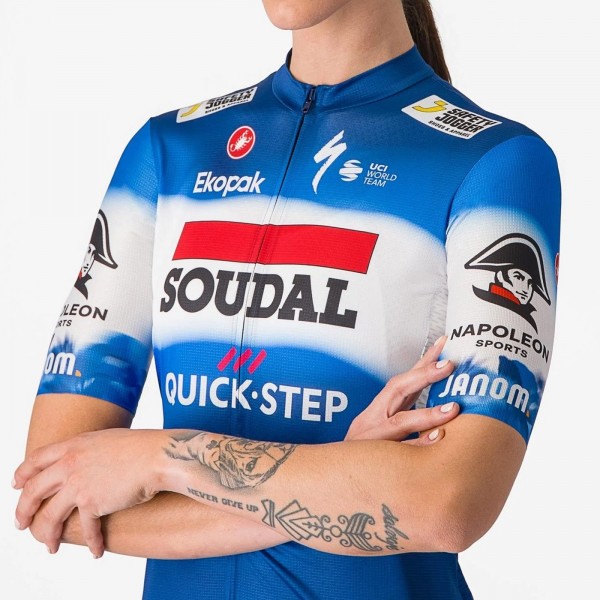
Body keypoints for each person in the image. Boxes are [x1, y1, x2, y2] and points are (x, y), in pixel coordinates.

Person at [13, 1, 561, 599]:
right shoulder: (169, 151)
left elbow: (450, 503)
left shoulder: (494, 161)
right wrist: (343, 479)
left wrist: (162, 459)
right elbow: (52, 491)